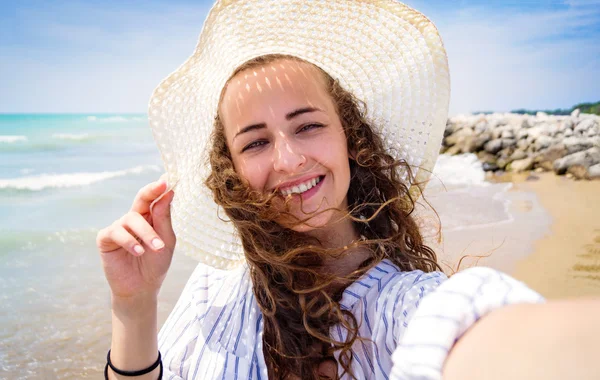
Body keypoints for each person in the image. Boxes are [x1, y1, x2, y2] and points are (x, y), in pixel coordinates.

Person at [96, 1, 600, 379]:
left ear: (351, 138)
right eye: (254, 142)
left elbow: (483, 332)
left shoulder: (401, 305)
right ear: (231, 172)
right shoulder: (212, 293)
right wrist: (134, 305)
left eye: (308, 125)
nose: (288, 159)